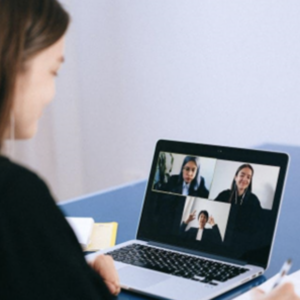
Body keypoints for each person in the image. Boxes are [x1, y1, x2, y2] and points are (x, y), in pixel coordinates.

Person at [0, 1, 119, 299]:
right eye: (53, 71)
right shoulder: (16, 196)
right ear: (14, 64)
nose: (53, 93)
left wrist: (69, 272)